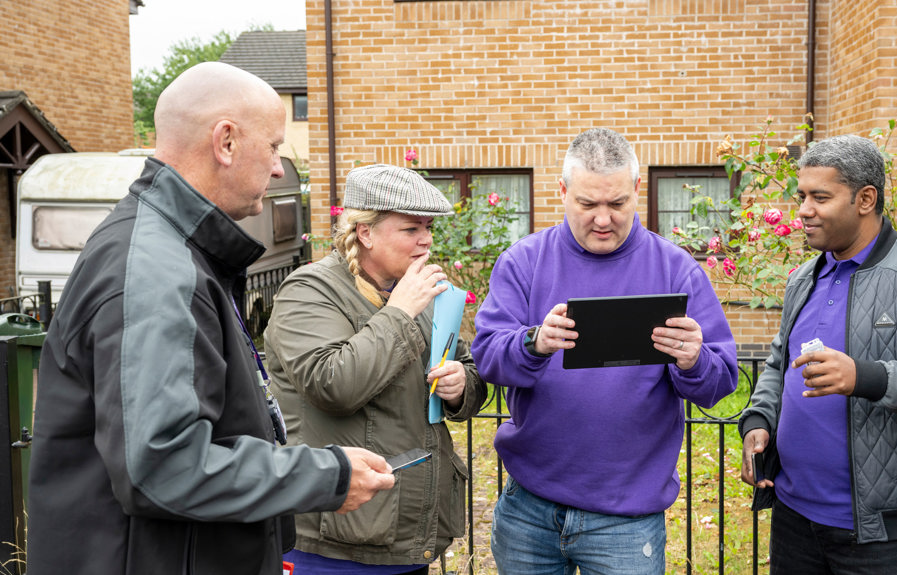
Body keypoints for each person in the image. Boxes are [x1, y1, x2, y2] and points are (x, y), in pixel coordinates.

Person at [27, 62, 395, 575]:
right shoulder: (158, 269)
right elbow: (161, 465)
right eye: (272, 148)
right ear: (225, 141)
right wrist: (323, 476)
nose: (275, 168)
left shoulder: (173, 249)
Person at [471, 127, 738, 574]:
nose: (603, 218)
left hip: (626, 519)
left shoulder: (675, 269)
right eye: (587, 204)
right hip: (530, 507)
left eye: (616, 204)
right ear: (562, 192)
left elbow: (720, 382)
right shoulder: (523, 261)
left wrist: (693, 359)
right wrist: (532, 343)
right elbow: (488, 356)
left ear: (637, 190)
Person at [738, 134, 897, 574]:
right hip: (794, 518)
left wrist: (868, 377)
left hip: (885, 537)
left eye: (820, 197)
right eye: (801, 196)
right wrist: (759, 421)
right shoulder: (804, 278)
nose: (803, 210)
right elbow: (780, 365)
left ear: (865, 199)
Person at [263, 163, 487, 574]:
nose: (426, 241)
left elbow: (467, 368)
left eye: (428, 228)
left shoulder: (413, 289)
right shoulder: (309, 291)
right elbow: (333, 384)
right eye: (410, 229)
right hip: (335, 540)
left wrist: (460, 384)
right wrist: (401, 311)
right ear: (365, 232)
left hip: (408, 534)